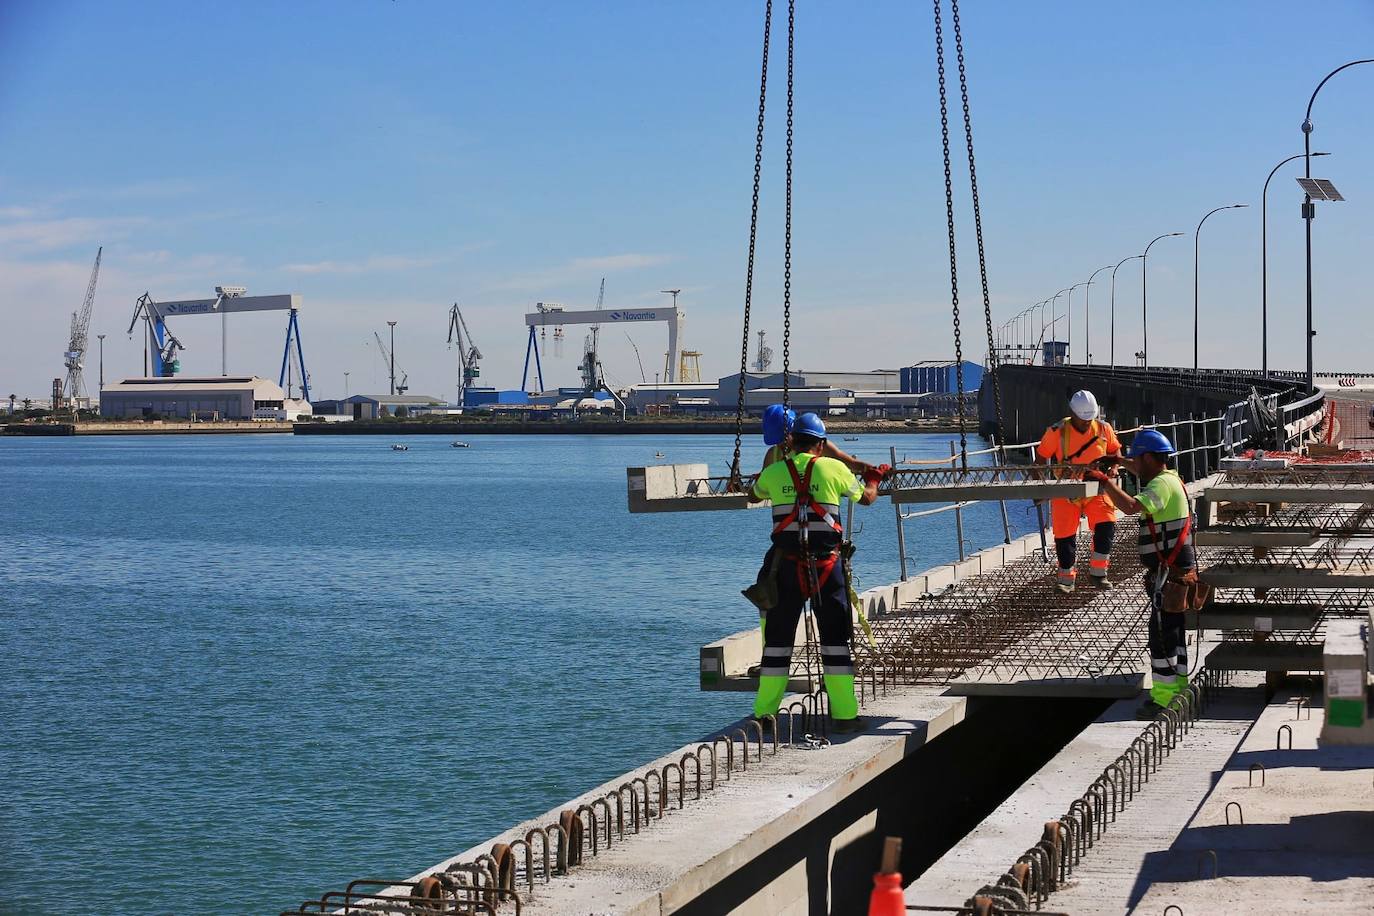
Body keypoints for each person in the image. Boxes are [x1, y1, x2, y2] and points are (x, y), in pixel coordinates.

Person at [748, 412, 885, 733]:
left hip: (785, 568)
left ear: (791, 442)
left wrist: (778, 481)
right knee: (836, 642)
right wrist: (874, 479)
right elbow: (866, 498)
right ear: (821, 445)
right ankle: (844, 716)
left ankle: (765, 714)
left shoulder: (775, 469)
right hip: (826, 567)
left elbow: (753, 493)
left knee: (777, 644)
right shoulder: (835, 468)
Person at [1085, 429, 1196, 719]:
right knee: (1172, 631)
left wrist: (1105, 481)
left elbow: (1131, 506)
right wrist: (1118, 460)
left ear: (1149, 457)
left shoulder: (1160, 485)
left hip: (1169, 576)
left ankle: (1164, 700)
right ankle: (1178, 689)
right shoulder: (1171, 478)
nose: (1136, 464)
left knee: (1161, 635)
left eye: (1138, 459)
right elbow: (1139, 467)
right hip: (1173, 573)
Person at [742, 404, 878, 611]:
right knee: (771, 576)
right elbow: (764, 480)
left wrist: (870, 470)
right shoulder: (775, 453)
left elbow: (848, 462)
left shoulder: (816, 447)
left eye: (783, 438)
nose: (782, 443)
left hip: (798, 536)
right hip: (809, 534)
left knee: (775, 574)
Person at [1036, 390, 1123, 593]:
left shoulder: (1103, 428)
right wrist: (1039, 489)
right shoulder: (1056, 432)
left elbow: (1115, 450)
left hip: (1097, 486)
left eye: (1089, 419)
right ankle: (1066, 580)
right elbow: (1039, 461)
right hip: (1066, 488)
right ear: (1072, 413)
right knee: (1064, 536)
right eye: (1082, 419)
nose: (1086, 423)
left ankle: (1098, 574)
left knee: (1107, 525)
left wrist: (1114, 467)